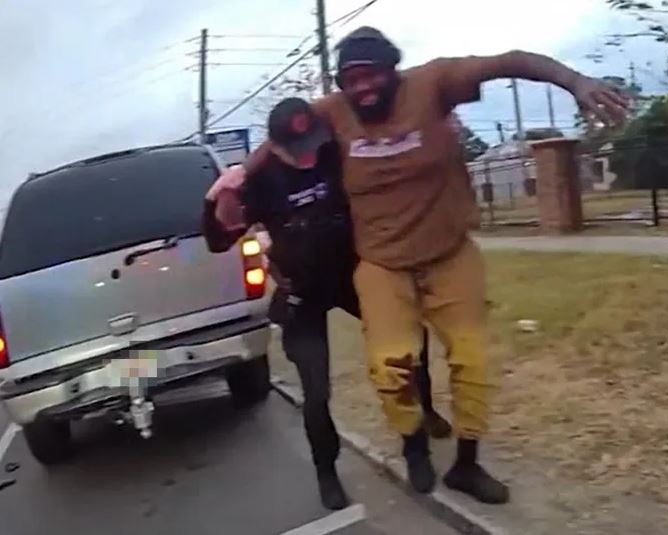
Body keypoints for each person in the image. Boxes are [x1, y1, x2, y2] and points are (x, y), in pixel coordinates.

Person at [235, 29, 629, 505]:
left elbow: (509, 60)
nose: (361, 88)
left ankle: (466, 463)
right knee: (389, 367)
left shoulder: (434, 82)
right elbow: (276, 142)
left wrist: (574, 81)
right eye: (350, 79)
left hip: (449, 252)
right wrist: (238, 178)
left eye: (371, 75)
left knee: (471, 360)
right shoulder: (332, 110)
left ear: (393, 69)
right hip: (383, 263)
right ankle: (414, 445)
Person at [201, 97, 450, 511]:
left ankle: (418, 440)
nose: (307, 158)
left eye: (311, 145)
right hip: (301, 292)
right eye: (296, 151)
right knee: (317, 392)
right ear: (275, 147)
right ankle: (326, 473)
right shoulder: (261, 181)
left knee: (405, 348)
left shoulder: (334, 154)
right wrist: (214, 202)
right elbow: (219, 239)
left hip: (353, 276)